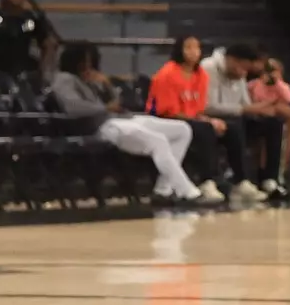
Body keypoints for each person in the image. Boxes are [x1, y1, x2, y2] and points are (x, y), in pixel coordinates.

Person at [52, 42, 213, 206]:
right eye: (84, 61)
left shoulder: (89, 80)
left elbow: (116, 102)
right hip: (101, 127)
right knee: (158, 141)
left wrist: (106, 84)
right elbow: (73, 107)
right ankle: (188, 192)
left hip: (121, 118)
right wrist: (105, 107)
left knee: (182, 130)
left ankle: (163, 190)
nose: (88, 66)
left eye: (90, 61)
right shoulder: (64, 79)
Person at [147, 34, 228, 204]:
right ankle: (207, 181)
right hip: (164, 119)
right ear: (179, 50)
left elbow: (197, 110)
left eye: (197, 47)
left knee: (231, 128)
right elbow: (167, 111)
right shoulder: (167, 73)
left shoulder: (201, 75)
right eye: (188, 47)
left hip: (189, 119)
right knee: (205, 129)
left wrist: (209, 120)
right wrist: (206, 122)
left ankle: (239, 181)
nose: (194, 51)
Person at [200, 44, 271, 202]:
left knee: (272, 123)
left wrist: (261, 109)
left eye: (247, 70)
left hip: (234, 116)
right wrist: (244, 109)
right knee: (234, 126)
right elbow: (208, 106)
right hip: (210, 117)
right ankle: (238, 181)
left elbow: (245, 103)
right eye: (242, 68)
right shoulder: (209, 68)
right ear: (232, 60)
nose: (244, 73)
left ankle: (269, 179)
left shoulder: (240, 73)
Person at [249, 56, 290, 196]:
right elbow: (255, 99)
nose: (270, 73)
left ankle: (279, 172)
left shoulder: (281, 86)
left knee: (288, 117)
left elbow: (289, 98)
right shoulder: (255, 84)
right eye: (267, 70)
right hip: (257, 118)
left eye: (273, 70)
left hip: (277, 120)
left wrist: (277, 83)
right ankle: (267, 175)